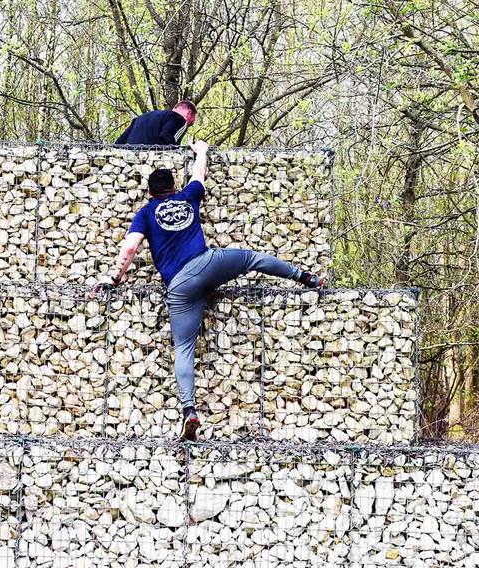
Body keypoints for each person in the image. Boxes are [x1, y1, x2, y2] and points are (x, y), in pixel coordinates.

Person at [96, 140, 325, 441]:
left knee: (184, 349)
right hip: (207, 264)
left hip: (179, 287)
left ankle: (189, 410)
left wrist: (114, 278)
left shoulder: (146, 213)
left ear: (150, 192)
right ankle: (303, 277)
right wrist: (201, 152)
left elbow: (130, 248)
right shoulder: (188, 196)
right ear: (173, 187)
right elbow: (198, 177)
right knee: (251, 258)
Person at [114, 101, 197, 146]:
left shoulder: (140, 118)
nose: (188, 125)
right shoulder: (180, 119)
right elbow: (168, 140)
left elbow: (120, 141)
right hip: (152, 162)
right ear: (189, 113)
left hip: (129, 161)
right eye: (191, 122)